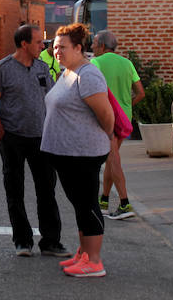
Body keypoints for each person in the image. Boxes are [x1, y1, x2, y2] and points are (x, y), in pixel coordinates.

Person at [0, 24, 69, 258]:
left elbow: (52, 99)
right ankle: (22, 241)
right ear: (24, 44)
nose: (43, 46)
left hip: (42, 139)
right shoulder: (2, 69)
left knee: (47, 190)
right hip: (13, 138)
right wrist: (3, 135)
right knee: (15, 190)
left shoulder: (43, 68)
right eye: (37, 42)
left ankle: (51, 241)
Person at [41, 23, 113, 278]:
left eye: (62, 47)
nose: (56, 51)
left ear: (79, 48)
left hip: (83, 154)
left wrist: (103, 139)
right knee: (79, 204)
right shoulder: (68, 72)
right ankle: (84, 253)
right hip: (66, 154)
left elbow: (106, 115)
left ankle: (94, 261)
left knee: (87, 204)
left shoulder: (88, 75)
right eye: (54, 46)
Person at [90, 30, 145, 220]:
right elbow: (140, 92)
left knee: (113, 160)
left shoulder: (95, 63)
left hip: (106, 119)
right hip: (124, 119)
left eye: (95, 43)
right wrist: (127, 106)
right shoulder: (127, 63)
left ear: (103, 46)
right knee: (112, 159)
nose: (92, 46)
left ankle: (124, 203)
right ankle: (104, 200)